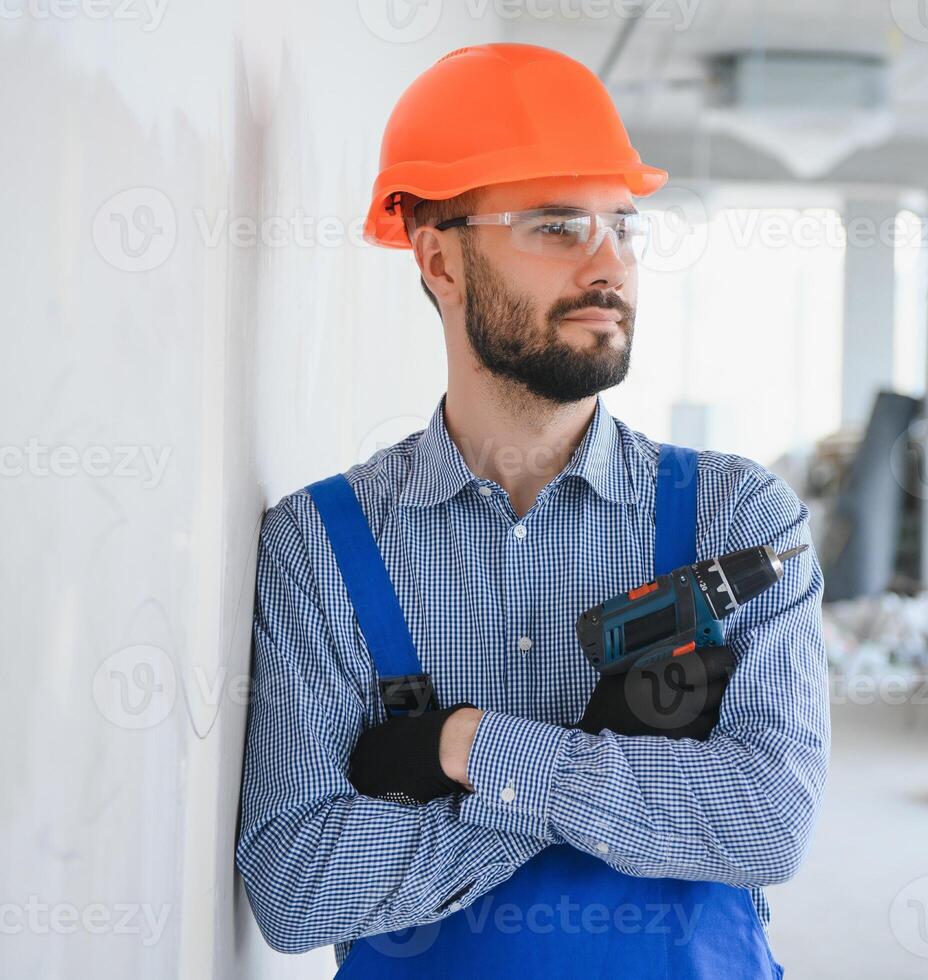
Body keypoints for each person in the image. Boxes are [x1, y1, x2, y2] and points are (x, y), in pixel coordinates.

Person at [234, 43, 829, 978]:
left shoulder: (736, 517)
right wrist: (617, 784)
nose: (609, 265)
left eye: (625, 228)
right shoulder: (323, 546)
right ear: (440, 260)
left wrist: (466, 749)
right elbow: (301, 882)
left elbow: (764, 824)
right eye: (556, 226)